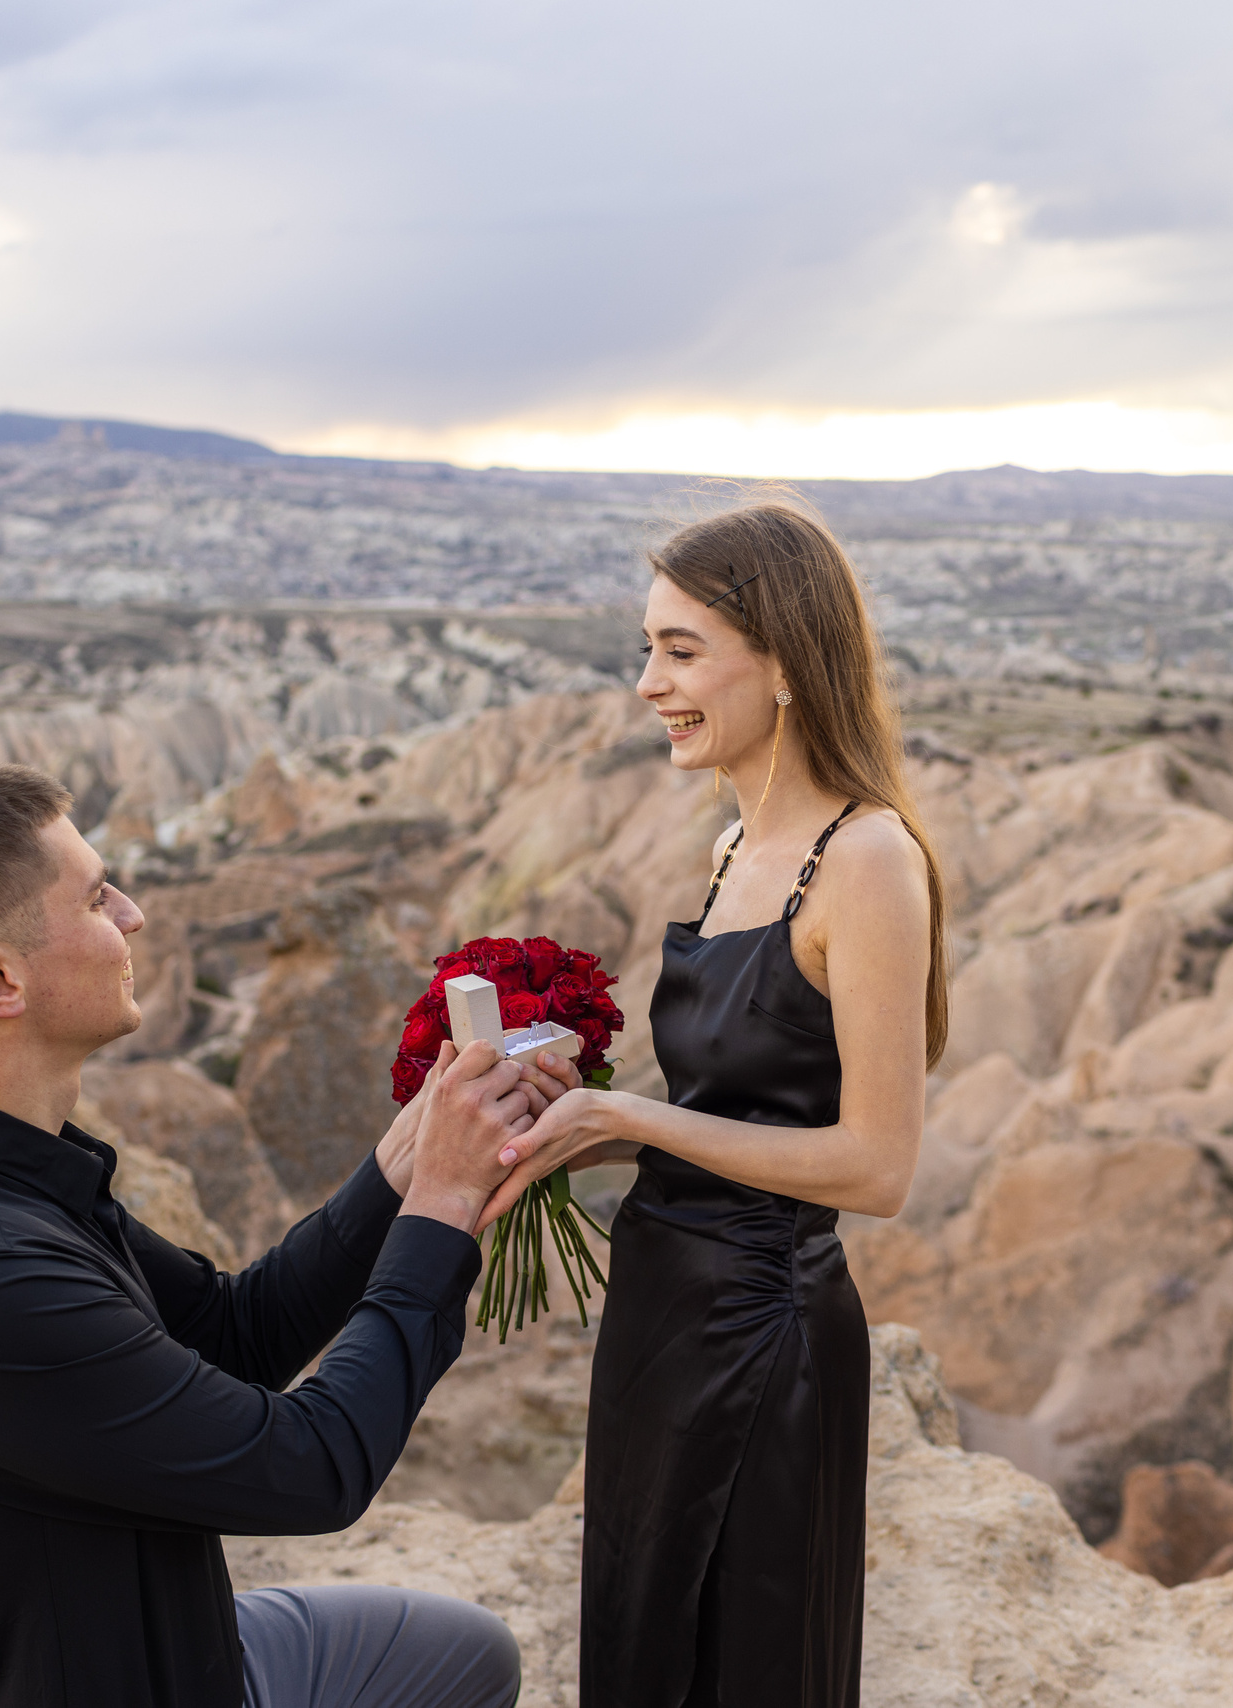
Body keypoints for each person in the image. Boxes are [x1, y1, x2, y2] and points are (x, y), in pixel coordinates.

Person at [0, 762, 555, 1708]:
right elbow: (315, 1468)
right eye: (94, 897)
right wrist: (443, 1209)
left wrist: (403, 1166)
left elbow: (233, 1334)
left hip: (183, 1649)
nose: (134, 915)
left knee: (467, 1655)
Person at [480, 500, 948, 1708]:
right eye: (647, 649)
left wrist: (626, 1125)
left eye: (680, 651)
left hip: (763, 1327)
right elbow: (736, 1095)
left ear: (785, 660)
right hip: (663, 1312)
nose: (648, 683)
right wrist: (577, 1094)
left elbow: (875, 1167)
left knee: (744, 1659)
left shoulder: (869, 861)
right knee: (645, 1640)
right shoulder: (739, 843)